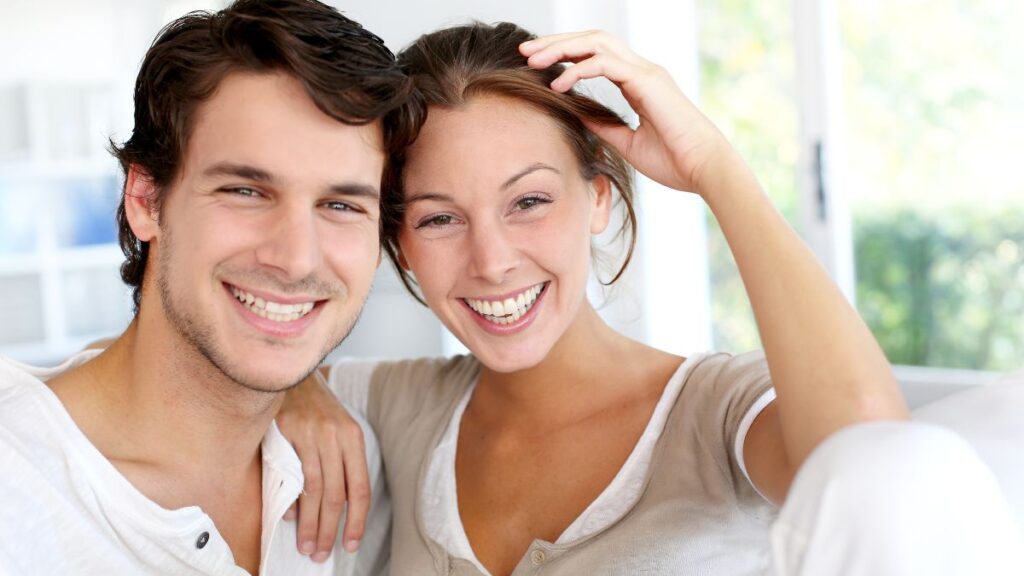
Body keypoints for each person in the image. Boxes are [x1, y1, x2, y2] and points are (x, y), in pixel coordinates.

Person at [278, 22, 1024, 575]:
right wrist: (286, 384)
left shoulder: (719, 410)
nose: (493, 260)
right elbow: (189, 378)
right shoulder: (389, 407)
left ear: (599, 199)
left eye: (530, 201)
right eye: (441, 218)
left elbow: (881, 460)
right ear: (399, 239)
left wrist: (714, 168)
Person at [0, 0, 410, 574]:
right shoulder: (16, 497)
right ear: (145, 200)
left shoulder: (356, 473)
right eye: (245, 191)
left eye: (340, 204)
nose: (295, 259)